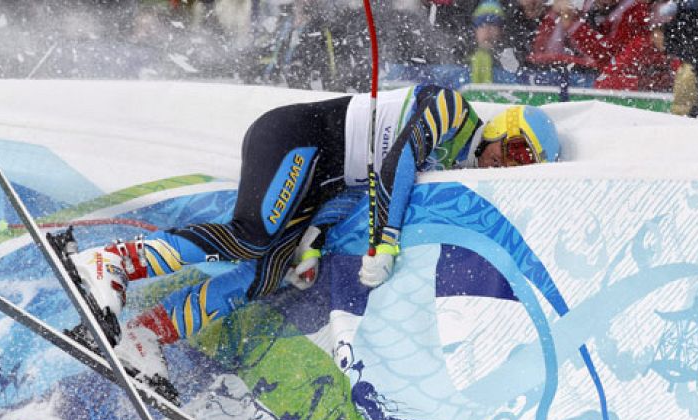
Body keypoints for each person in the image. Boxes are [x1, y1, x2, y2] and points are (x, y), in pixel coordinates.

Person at [69, 85, 561, 398]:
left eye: (524, 165)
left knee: (266, 273)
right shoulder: (453, 110)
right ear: (504, 128)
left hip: (322, 179)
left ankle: (146, 335)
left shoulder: (453, 169)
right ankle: (110, 262)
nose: (508, 164)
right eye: (515, 149)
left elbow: (362, 190)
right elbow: (396, 167)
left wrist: (314, 239)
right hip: (298, 136)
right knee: (253, 237)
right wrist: (383, 243)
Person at [469, 0, 505, 82]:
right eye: (481, 23)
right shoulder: (461, 60)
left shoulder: (511, 63)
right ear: (475, 30)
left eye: (494, 23)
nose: (487, 30)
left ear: (501, 30)